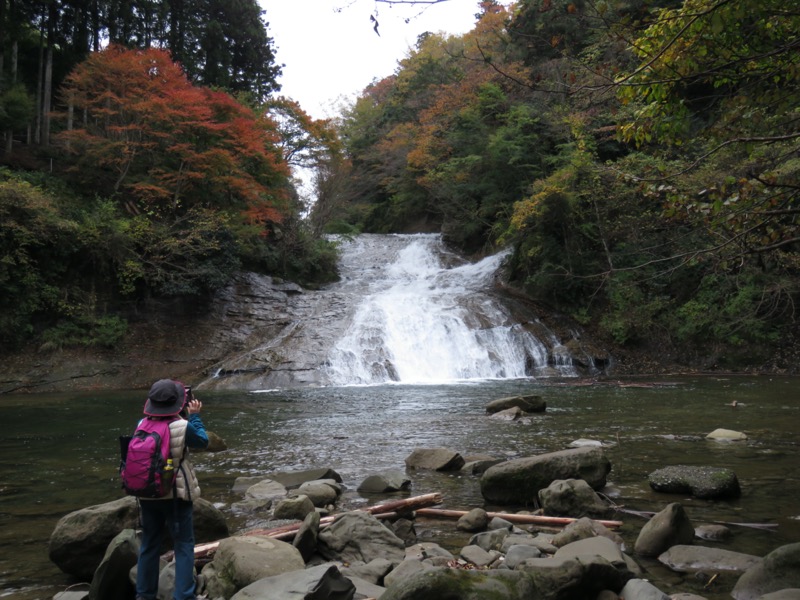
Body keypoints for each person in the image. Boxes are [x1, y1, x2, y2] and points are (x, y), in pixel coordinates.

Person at [135, 378, 208, 600]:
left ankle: (144, 595)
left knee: (149, 543)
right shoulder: (182, 425)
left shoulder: (141, 424)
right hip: (175, 495)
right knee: (184, 545)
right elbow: (202, 441)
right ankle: (184, 596)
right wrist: (194, 416)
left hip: (148, 493)